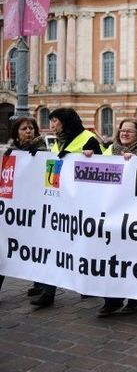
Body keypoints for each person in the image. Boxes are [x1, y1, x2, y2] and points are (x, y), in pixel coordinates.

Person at [29, 107, 103, 308]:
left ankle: (87, 285)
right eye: (51, 121)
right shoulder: (56, 143)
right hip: (60, 204)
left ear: (66, 122)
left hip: (84, 206)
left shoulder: (88, 139)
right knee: (55, 247)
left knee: (83, 247)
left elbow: (104, 170)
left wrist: (92, 157)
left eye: (55, 121)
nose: (52, 125)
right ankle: (48, 293)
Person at [98, 118, 137, 317]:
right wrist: (88, 156)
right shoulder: (110, 151)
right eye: (122, 130)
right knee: (111, 259)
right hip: (112, 213)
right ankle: (112, 300)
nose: (125, 133)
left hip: (136, 215)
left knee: (134, 259)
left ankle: (136, 300)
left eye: (130, 131)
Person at [1, 116, 48, 297]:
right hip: (15, 211)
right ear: (16, 132)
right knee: (6, 248)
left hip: (38, 209)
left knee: (38, 247)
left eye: (31, 128)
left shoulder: (44, 151)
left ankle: (42, 286)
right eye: (23, 129)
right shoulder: (10, 153)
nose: (28, 131)